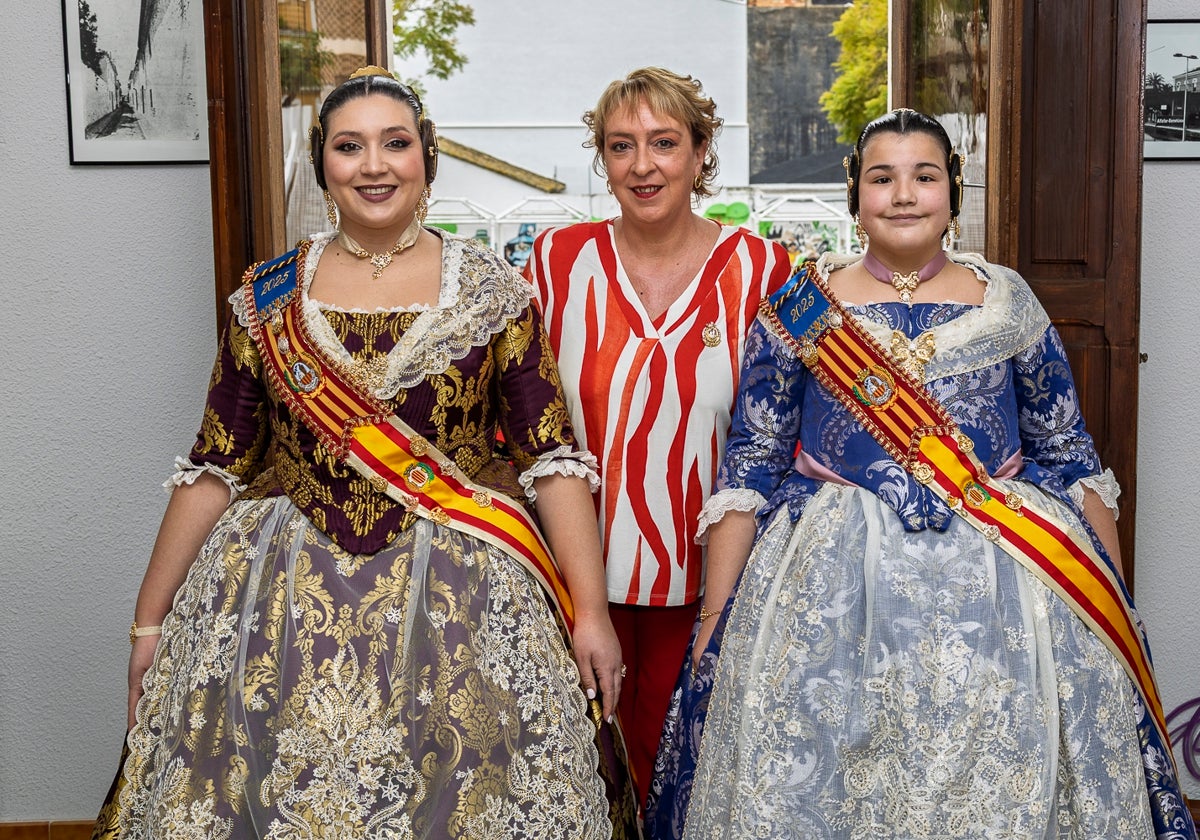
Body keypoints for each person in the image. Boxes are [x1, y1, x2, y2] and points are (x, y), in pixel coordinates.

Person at [91, 67, 636, 840]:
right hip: (277, 608)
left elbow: (552, 461)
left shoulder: (492, 289)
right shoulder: (267, 295)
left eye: (395, 143)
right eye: (349, 147)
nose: (374, 165)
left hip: (463, 601)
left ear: (427, 157)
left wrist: (591, 615)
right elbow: (215, 464)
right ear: (323, 165)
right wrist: (149, 625)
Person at [650, 108, 1197, 839]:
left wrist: (1117, 614)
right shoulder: (799, 307)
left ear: (953, 190)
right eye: (882, 177)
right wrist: (714, 627)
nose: (904, 194)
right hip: (829, 599)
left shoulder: (1008, 302)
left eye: (924, 176)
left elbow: (1069, 455)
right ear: (855, 193)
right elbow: (753, 459)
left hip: (1007, 587)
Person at [525, 66, 793, 810]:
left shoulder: (765, 267)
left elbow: (796, 423)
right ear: (602, 159)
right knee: (582, 776)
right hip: (571, 581)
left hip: (706, 585)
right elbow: (515, 417)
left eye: (665, 143)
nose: (642, 165)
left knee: (686, 778)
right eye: (620, 146)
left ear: (702, 152)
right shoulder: (553, 263)